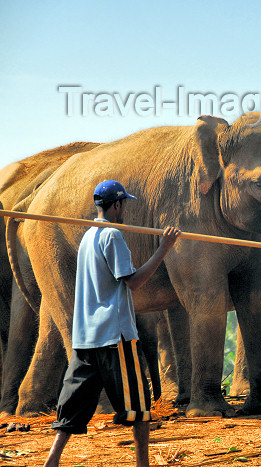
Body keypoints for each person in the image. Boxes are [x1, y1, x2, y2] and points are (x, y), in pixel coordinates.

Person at [44, 180, 181, 467]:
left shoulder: (88, 238)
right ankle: (142, 464)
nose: (126, 211)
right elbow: (133, 282)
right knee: (140, 407)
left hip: (85, 339)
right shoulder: (112, 237)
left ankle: (52, 460)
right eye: (125, 205)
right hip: (114, 336)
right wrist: (164, 248)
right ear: (116, 205)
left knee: (72, 406)